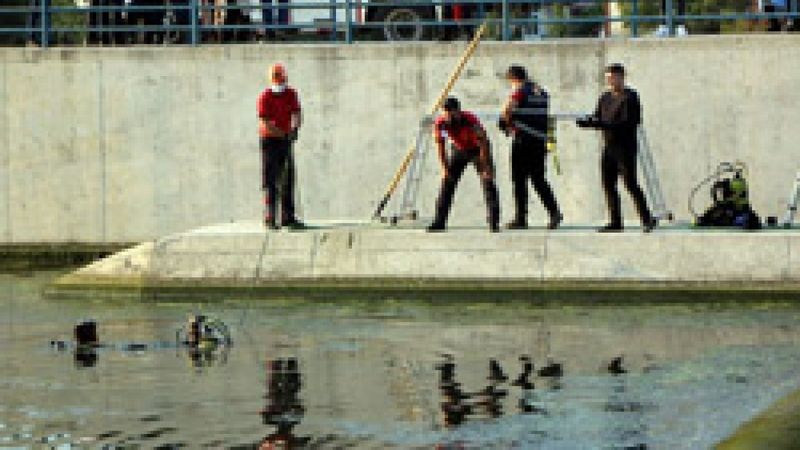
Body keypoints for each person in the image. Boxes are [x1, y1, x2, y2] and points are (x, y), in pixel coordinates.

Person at [576, 63, 655, 233]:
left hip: (625, 147)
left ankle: (646, 219)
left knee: (630, 183)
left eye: (613, 78)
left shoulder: (630, 97)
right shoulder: (605, 97)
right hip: (609, 146)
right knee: (608, 184)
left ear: (622, 77)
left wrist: (601, 123)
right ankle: (615, 221)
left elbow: (629, 122)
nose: (611, 81)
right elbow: (597, 116)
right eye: (608, 78)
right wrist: (588, 122)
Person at [499, 65, 562, 230]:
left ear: (513, 79)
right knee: (539, 179)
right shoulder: (541, 92)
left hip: (523, 141)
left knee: (519, 180)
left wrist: (505, 123)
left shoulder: (519, 91)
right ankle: (554, 212)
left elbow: (507, 110)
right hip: (539, 141)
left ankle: (521, 218)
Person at [427, 97, 500, 233]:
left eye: (452, 112)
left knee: (487, 181)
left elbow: (483, 142)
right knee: (447, 183)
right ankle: (439, 221)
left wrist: (485, 166)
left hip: (478, 149)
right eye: (446, 113)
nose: (449, 116)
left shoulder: (469, 119)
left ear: (458, 111)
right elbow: (441, 147)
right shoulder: (441, 123)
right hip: (459, 149)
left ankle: (493, 221)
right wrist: (445, 168)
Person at [257, 63, 304, 230]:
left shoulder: (291, 94)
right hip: (270, 140)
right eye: (277, 80)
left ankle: (287, 216)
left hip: (285, 139)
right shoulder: (265, 97)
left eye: (282, 80)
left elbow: (297, 113)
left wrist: (295, 129)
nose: (280, 84)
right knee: (270, 179)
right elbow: (265, 122)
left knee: (287, 178)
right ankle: (270, 216)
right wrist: (282, 134)